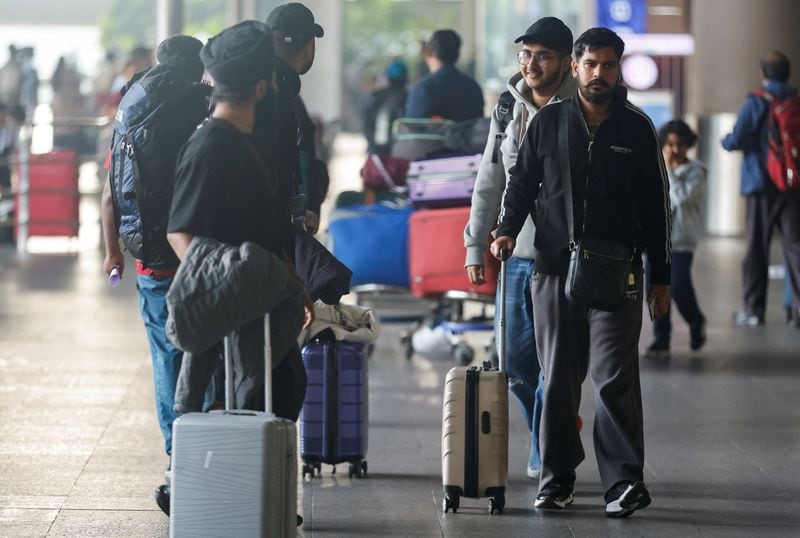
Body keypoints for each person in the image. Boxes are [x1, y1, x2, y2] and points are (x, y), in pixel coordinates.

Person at [491, 27, 671, 517]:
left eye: (608, 65)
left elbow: (657, 207)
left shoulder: (637, 128)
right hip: (554, 269)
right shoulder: (548, 122)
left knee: (614, 377)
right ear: (575, 67)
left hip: (619, 271)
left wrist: (661, 277)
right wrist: (505, 230)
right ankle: (556, 480)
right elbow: (520, 183)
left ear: (618, 69)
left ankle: (623, 483)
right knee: (558, 380)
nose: (599, 74)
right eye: (590, 65)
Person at [99, 34, 211, 515]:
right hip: (199, 257)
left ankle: (176, 455)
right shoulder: (201, 111)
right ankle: (211, 448)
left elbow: (110, 193)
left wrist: (113, 252)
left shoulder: (131, 111)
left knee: (166, 356)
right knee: (206, 351)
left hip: (152, 262)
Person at [464, 17, 575, 481]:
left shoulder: (581, 107)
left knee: (556, 364)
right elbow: (490, 177)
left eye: (542, 56)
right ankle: (551, 429)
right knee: (513, 364)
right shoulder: (509, 106)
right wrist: (475, 244)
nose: (531, 64)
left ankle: (547, 448)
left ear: (566, 62)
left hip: (562, 257)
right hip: (514, 254)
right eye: (526, 55)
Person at [722, 50, 800, 327]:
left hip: (761, 184)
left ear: (764, 72)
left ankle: (754, 311)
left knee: (757, 249)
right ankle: (796, 310)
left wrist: (726, 140)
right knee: (795, 247)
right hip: (792, 185)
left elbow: (736, 139)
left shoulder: (757, 100)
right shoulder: (795, 100)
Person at [261, 2, 329, 234]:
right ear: (308, 47)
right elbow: (297, 161)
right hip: (277, 229)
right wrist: (301, 212)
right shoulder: (284, 94)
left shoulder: (256, 88)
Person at [644, 119, 707, 357]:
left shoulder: (696, 172)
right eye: (669, 144)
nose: (674, 149)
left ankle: (696, 320)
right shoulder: (653, 167)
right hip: (656, 240)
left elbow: (682, 198)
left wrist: (669, 171)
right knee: (654, 289)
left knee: (679, 287)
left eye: (679, 144)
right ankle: (661, 339)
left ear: (688, 145)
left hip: (681, 241)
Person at [404, 29, 484, 121]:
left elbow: (412, 127)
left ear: (429, 51)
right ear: (457, 54)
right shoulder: (473, 88)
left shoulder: (424, 89)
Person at [362, 58, 408, 155]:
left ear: (387, 77)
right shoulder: (409, 97)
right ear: (406, 78)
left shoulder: (375, 97)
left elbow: (366, 124)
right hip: (402, 153)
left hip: (376, 152)